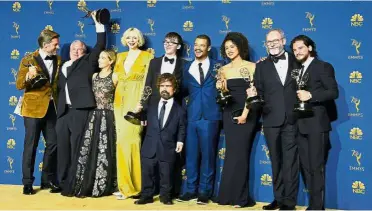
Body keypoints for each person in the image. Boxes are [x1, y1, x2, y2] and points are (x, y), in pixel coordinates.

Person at [247, 29, 301, 210]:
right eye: (268, 42)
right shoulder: (261, 66)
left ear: (283, 40)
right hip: (271, 120)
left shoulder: (297, 61)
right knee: (276, 161)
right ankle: (278, 198)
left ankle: (289, 202)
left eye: (275, 40)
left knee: (290, 162)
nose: (272, 44)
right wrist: (253, 97)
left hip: (293, 119)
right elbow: (259, 94)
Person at [56, 11, 106, 191]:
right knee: (62, 149)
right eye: (73, 49)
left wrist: (99, 23)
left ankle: (75, 183)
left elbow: (100, 44)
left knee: (78, 148)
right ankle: (61, 182)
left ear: (85, 52)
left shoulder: (88, 61)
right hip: (63, 113)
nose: (76, 52)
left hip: (80, 110)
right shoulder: (62, 66)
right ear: (69, 51)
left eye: (80, 49)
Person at [61, 50, 118, 197]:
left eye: (103, 58)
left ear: (110, 61)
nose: (99, 60)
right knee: (91, 151)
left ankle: (108, 183)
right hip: (93, 116)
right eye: (99, 57)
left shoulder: (115, 76)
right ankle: (89, 183)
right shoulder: (94, 76)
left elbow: (119, 98)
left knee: (106, 151)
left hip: (109, 116)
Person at [291, 35, 338, 210]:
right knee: (306, 168)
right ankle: (313, 205)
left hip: (317, 125)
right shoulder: (298, 69)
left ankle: (317, 207)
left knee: (316, 168)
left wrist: (311, 95)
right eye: (294, 50)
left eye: (301, 48)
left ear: (310, 48)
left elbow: (333, 92)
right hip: (301, 124)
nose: (297, 52)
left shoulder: (323, 67)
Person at [216, 32, 259, 208]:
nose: (229, 51)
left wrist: (245, 114)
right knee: (232, 154)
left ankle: (241, 198)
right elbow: (223, 96)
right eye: (226, 48)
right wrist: (221, 88)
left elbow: (253, 94)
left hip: (246, 114)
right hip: (229, 113)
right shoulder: (222, 70)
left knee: (241, 155)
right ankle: (227, 196)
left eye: (232, 47)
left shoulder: (252, 67)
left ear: (240, 47)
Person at [178, 35, 223, 204]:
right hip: (192, 116)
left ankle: (205, 191)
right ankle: (190, 189)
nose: (197, 48)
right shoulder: (186, 67)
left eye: (202, 45)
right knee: (191, 156)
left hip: (211, 116)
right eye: (196, 45)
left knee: (208, 156)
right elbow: (182, 89)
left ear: (208, 48)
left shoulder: (219, 65)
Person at [16, 29, 61, 195]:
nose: (58, 46)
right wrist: (28, 75)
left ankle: (47, 180)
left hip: (52, 108)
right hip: (33, 110)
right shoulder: (28, 59)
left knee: (54, 143)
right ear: (46, 45)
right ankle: (27, 183)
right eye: (55, 44)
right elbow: (19, 85)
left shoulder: (58, 59)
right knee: (31, 146)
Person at [113, 27, 154, 200]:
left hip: (136, 103)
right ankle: (124, 187)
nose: (131, 40)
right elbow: (115, 78)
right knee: (121, 142)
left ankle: (137, 187)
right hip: (119, 102)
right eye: (128, 37)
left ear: (139, 39)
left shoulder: (147, 56)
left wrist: (141, 103)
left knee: (133, 141)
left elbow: (148, 82)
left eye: (135, 37)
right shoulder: (120, 56)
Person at [134, 73, 186, 205]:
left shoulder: (179, 109)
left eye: (168, 86)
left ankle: (166, 196)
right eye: (162, 85)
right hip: (150, 145)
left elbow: (181, 127)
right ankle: (147, 195)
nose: (165, 88)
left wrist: (180, 141)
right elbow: (141, 120)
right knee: (147, 172)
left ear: (174, 89)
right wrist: (137, 112)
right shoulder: (150, 106)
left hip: (168, 146)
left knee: (166, 174)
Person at [144, 32, 184, 109]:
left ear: (178, 46)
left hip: (175, 106)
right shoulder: (154, 62)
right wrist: (144, 108)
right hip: (154, 105)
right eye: (166, 42)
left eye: (172, 42)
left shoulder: (184, 64)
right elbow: (148, 85)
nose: (167, 45)